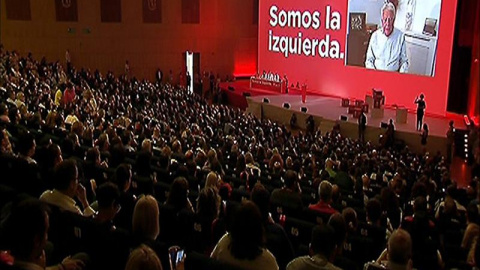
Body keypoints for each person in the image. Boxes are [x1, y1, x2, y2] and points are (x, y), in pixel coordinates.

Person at [365, 2, 409, 73]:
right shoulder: (375, 36)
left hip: (394, 76)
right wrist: (374, 74)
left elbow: (404, 62)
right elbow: (369, 60)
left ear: (394, 20)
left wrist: (400, 77)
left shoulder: (400, 36)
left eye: (390, 19)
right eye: (385, 19)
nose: (387, 24)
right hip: (377, 74)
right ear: (382, 20)